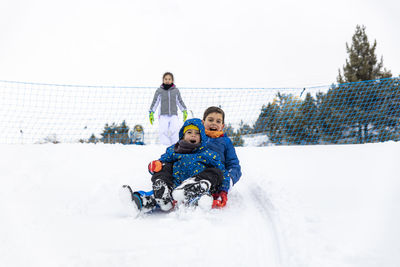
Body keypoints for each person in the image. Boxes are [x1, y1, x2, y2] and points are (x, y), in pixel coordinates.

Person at [122, 118, 230, 214]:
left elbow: (222, 172)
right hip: (174, 187)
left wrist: (224, 190)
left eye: (197, 133)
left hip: (199, 186)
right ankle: (151, 198)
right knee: (165, 166)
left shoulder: (208, 153)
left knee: (216, 171)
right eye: (189, 132)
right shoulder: (174, 150)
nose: (193, 135)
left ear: (202, 137)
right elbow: (161, 162)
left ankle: (193, 189)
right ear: (183, 135)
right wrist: (155, 166)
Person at [202, 106, 242, 188]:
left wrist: (229, 179)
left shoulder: (225, 142)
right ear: (203, 122)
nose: (214, 123)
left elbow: (234, 164)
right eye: (210, 120)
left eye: (218, 121)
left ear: (222, 126)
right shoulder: (196, 137)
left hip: (217, 177)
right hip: (196, 173)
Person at [149, 72, 188, 146]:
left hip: (174, 114)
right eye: (165, 79)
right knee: (163, 131)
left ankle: (175, 145)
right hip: (163, 115)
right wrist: (151, 112)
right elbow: (155, 102)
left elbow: (179, 101)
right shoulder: (159, 91)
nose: (167, 80)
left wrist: (184, 110)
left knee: (175, 129)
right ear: (163, 80)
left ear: (172, 80)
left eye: (169, 79)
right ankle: (165, 145)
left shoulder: (176, 91)